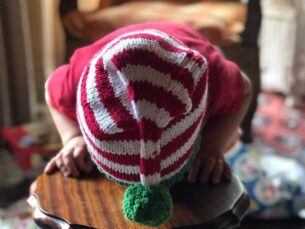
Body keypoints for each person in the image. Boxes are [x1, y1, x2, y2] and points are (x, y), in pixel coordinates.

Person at [44, 22, 252, 226]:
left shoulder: (209, 75)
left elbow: (245, 89)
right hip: (120, 44)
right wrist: (72, 137)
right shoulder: (76, 81)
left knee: (217, 155)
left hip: (188, 42)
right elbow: (49, 89)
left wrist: (213, 145)